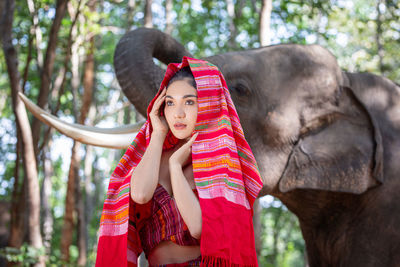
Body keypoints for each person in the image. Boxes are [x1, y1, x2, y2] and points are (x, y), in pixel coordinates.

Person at [95, 57, 263, 267]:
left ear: (208, 104)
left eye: (189, 101)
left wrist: (175, 167)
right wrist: (158, 134)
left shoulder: (221, 164)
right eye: (171, 103)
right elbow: (140, 194)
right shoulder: (153, 153)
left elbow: (199, 228)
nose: (179, 113)